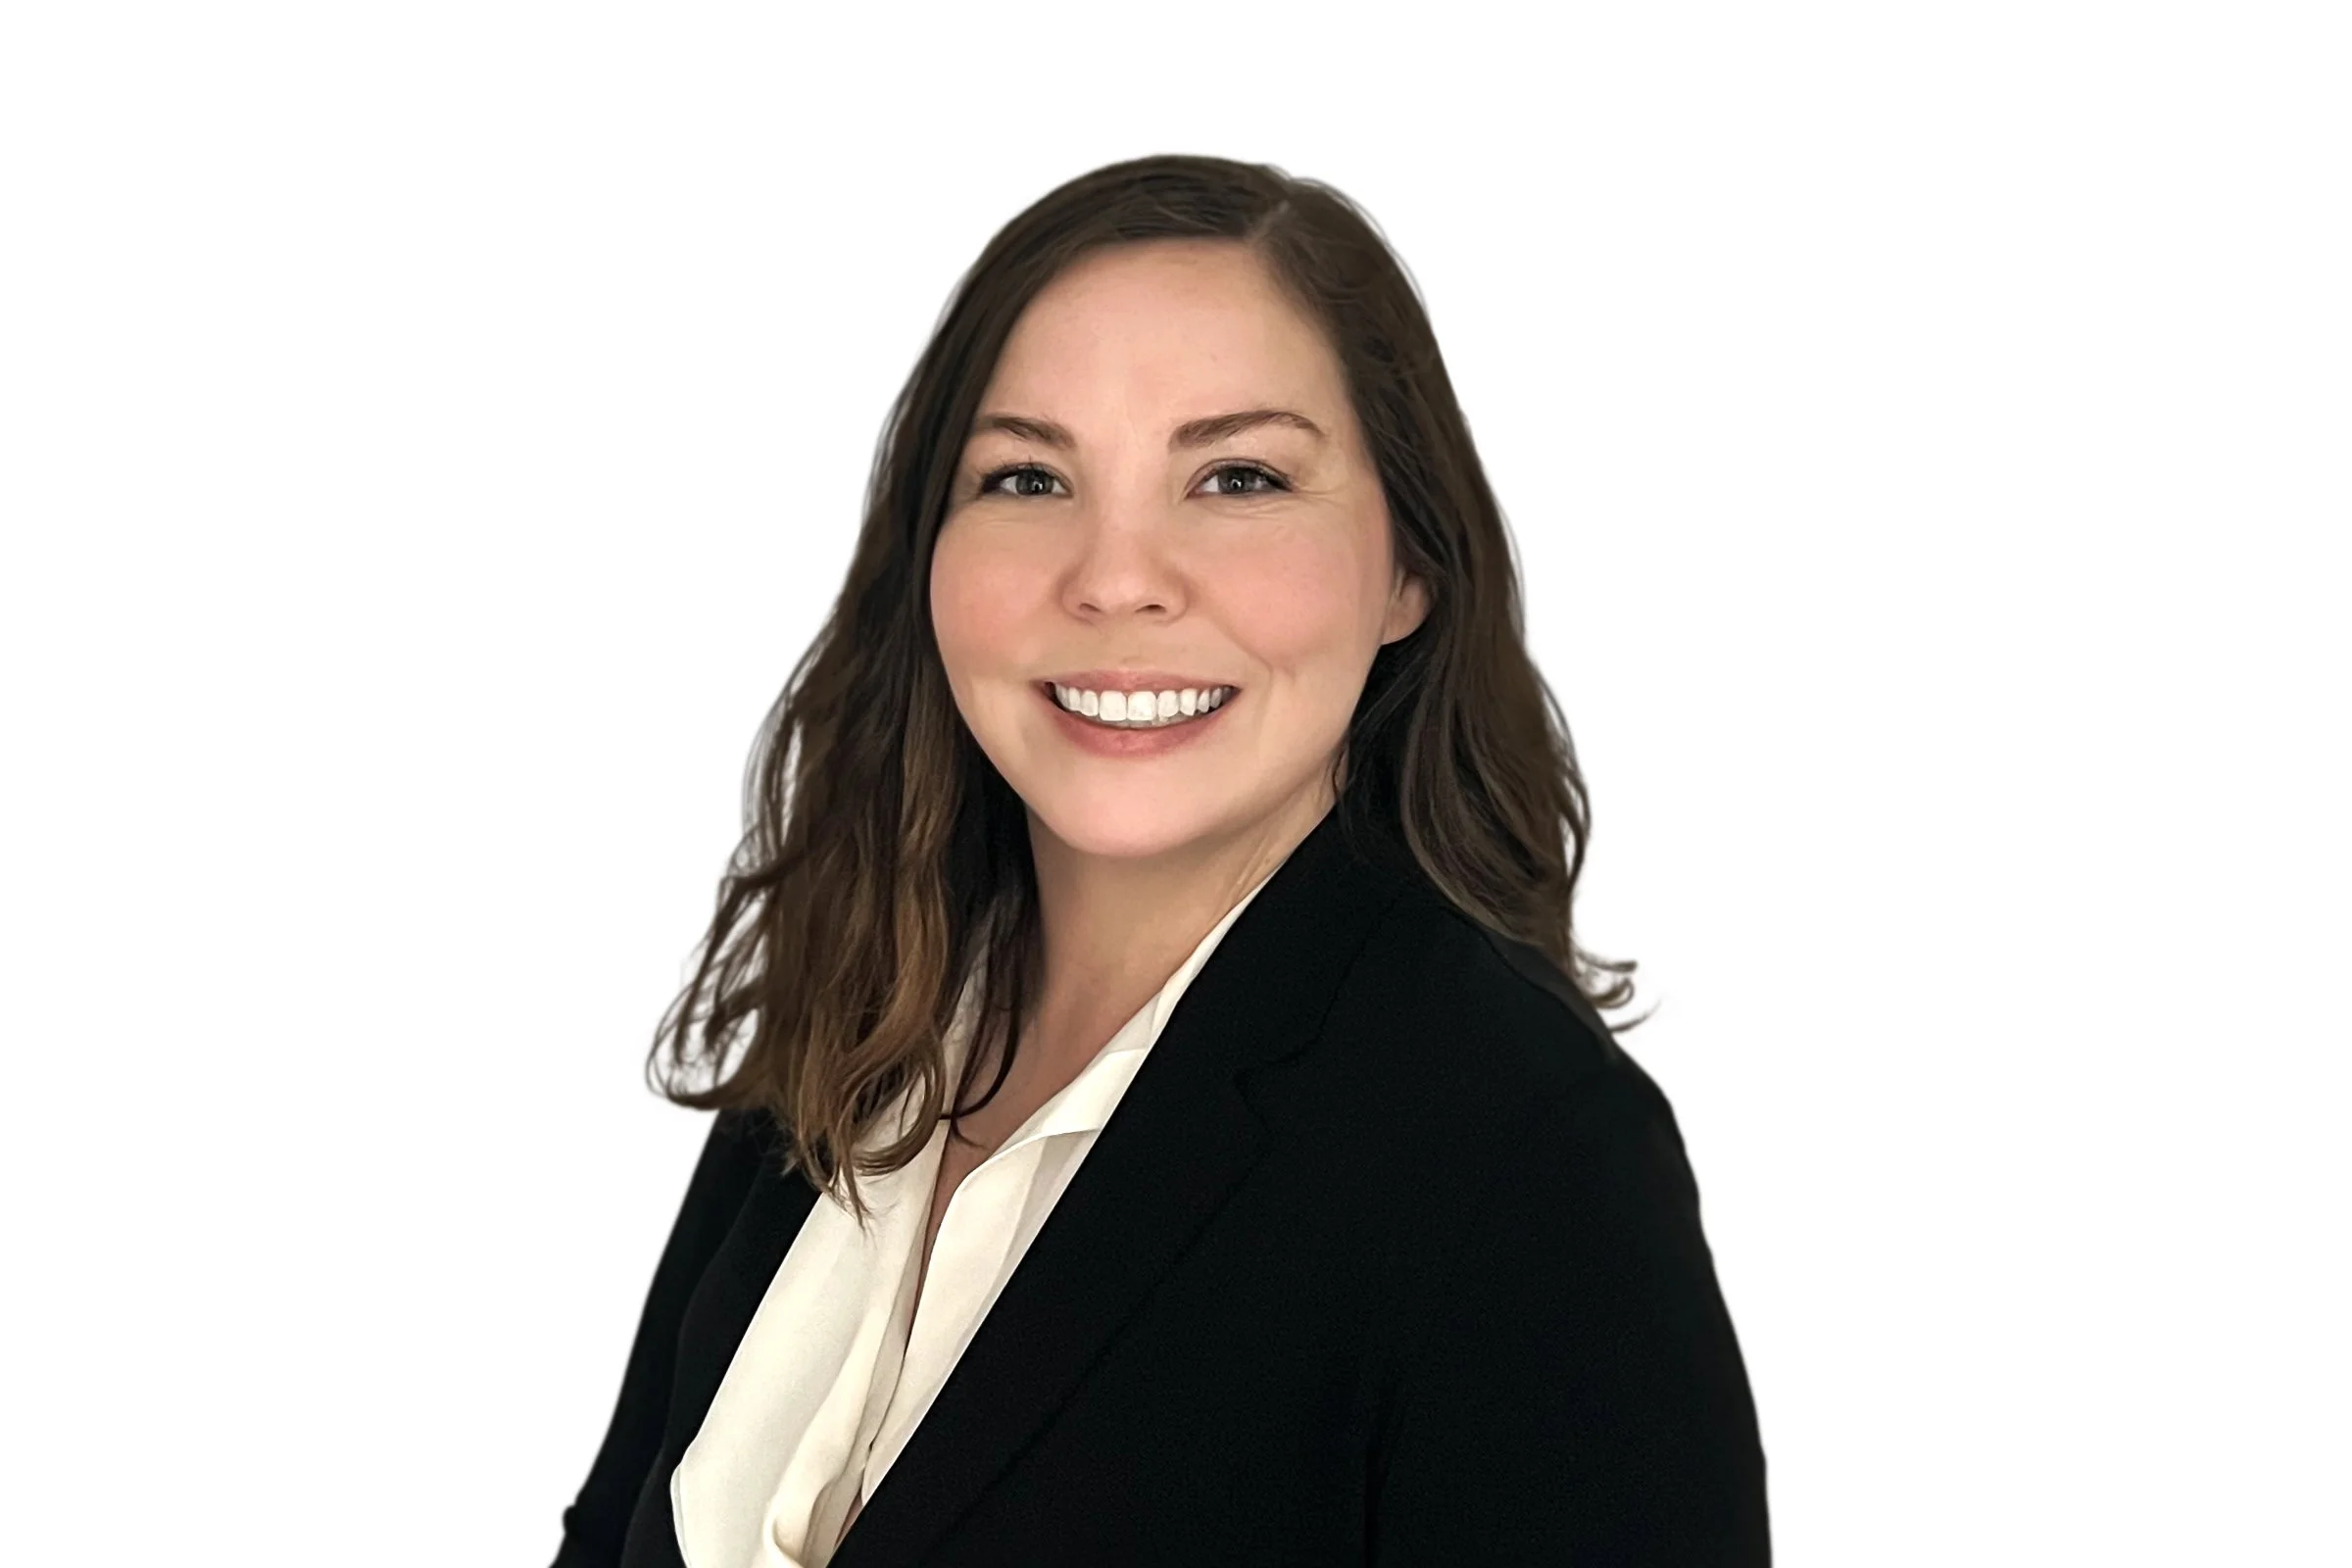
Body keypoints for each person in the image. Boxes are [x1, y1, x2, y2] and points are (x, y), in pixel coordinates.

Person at [550, 153, 1768, 1568]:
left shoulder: (1524, 1159)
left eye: (1237, 476)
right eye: (1027, 476)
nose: (1117, 576)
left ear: (1408, 570)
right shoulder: (846, 1033)